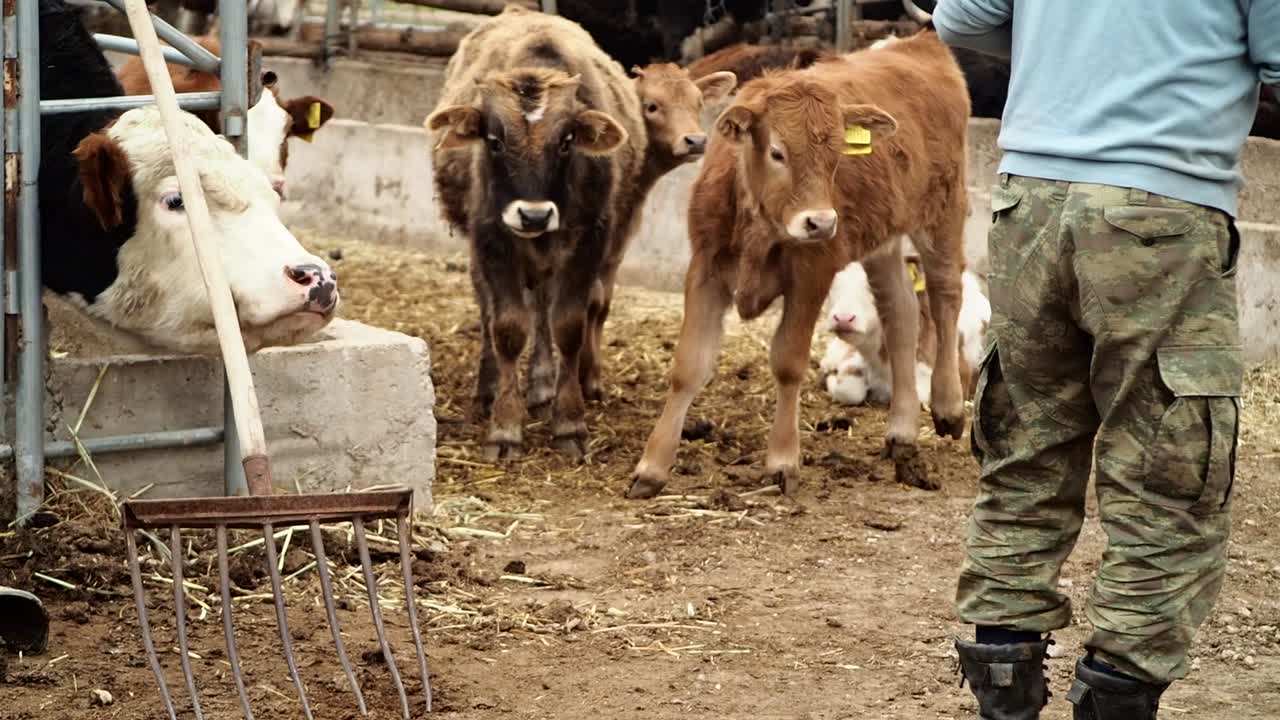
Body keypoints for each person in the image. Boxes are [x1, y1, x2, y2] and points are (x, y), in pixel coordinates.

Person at [929, 1, 1271, 718]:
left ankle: (1003, 699)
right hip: (1163, 207)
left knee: (1024, 460)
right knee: (1166, 479)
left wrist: (1067, 66)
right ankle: (1117, 699)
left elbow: (959, 19)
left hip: (1029, 205)